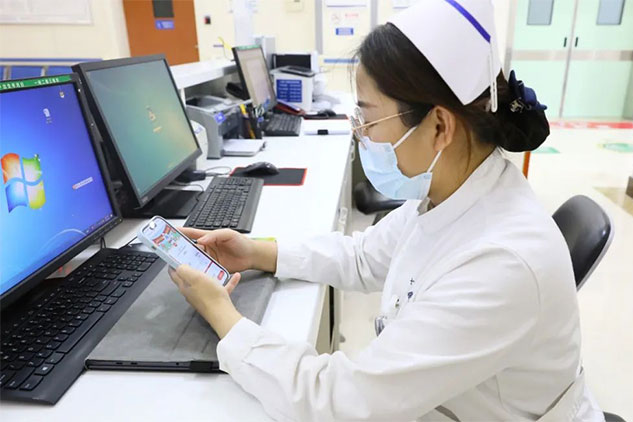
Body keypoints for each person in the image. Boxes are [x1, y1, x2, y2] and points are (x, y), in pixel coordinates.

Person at [168, 0, 604, 420]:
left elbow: (341, 404)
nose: (361, 135)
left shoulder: (501, 261)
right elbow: (363, 256)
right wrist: (254, 252)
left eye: (368, 120)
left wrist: (223, 316)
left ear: (439, 126)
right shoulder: (454, 192)